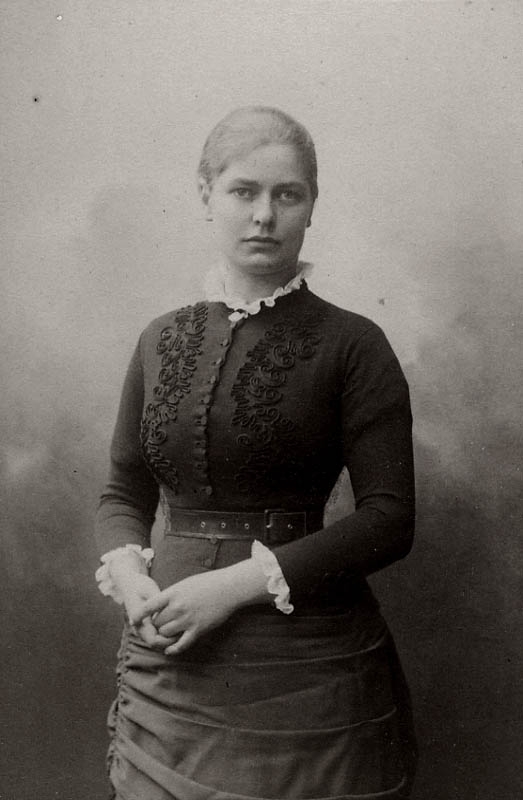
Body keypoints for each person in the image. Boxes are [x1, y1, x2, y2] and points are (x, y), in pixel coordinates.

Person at [95, 106, 417, 800]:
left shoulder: (353, 343)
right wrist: (128, 575)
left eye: (286, 194)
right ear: (205, 194)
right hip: (168, 658)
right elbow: (123, 489)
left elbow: (389, 519)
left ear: (311, 205)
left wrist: (230, 587)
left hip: (305, 664)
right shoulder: (159, 339)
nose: (264, 215)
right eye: (243, 191)